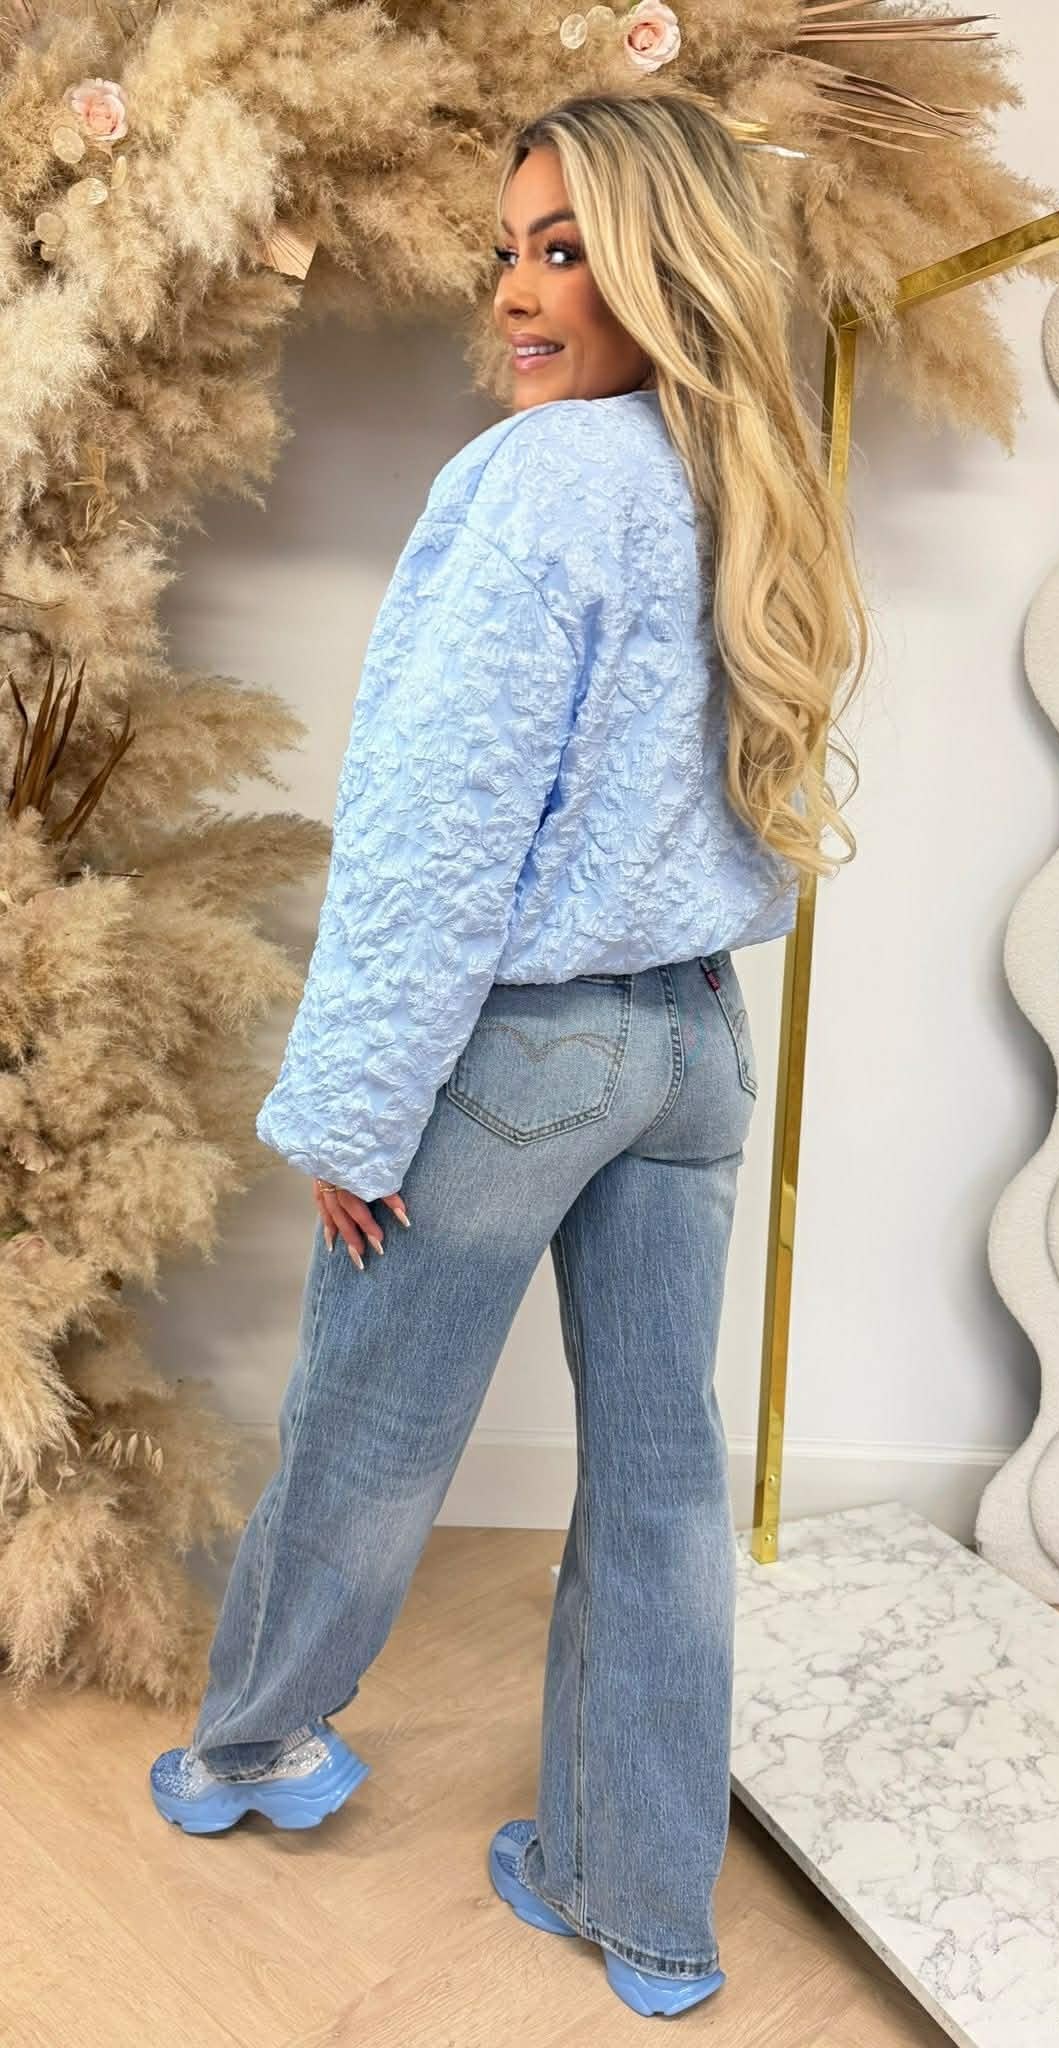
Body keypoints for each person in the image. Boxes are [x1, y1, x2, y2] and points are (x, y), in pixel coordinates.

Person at [149, 86, 868, 2020]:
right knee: (662, 1483)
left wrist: (357, 1103)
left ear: (663, 263)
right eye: (510, 251)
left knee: (371, 1435)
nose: (521, 292)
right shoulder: (749, 480)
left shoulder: (540, 480)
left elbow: (442, 828)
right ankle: (642, 1904)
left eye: (569, 249)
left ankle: (249, 1748)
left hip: (519, 1055)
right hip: (693, 1044)